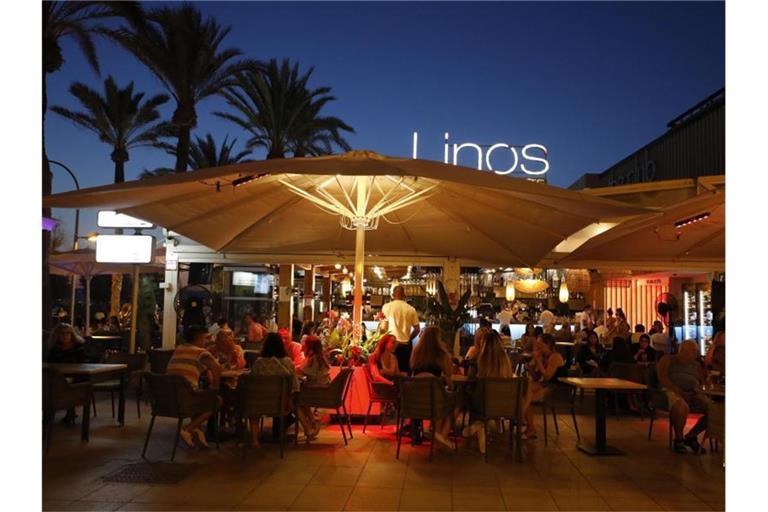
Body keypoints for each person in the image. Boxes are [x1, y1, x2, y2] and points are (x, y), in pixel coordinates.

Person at [166, 325, 222, 449]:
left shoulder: (179, 349)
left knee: (199, 394)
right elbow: (217, 368)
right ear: (199, 338)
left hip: (166, 399)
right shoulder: (200, 352)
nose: (207, 341)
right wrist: (215, 386)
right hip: (185, 399)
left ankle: (196, 430)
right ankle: (188, 429)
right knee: (216, 400)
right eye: (206, 338)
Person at [250, 333, 306, 445]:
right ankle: (307, 429)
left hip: (260, 404)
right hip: (282, 404)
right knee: (294, 402)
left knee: (252, 408)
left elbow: (252, 383)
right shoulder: (287, 362)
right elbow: (294, 386)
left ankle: (254, 441)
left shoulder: (259, 363)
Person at [463, 329, 513, 453]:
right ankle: (480, 425)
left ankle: (479, 424)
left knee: (466, 394)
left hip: (482, 404)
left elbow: (470, 378)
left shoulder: (479, 360)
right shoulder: (506, 361)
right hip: (504, 405)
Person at [657, 340, 710, 454]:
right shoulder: (668, 359)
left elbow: (702, 382)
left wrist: (699, 390)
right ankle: (679, 439)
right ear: (683, 351)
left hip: (693, 392)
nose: (696, 354)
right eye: (693, 351)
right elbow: (663, 378)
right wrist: (679, 391)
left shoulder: (696, 365)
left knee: (714, 410)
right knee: (681, 406)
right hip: (671, 390)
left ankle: (691, 435)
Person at [409, 326, 455, 450]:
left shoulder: (416, 352)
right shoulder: (442, 354)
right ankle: (440, 434)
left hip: (416, 401)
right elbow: (449, 373)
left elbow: (412, 369)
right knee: (454, 402)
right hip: (436, 401)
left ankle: (434, 433)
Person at [522, 334, 566, 440]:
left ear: (548, 345)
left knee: (525, 396)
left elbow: (547, 376)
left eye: (540, 344)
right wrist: (530, 367)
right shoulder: (543, 356)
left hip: (556, 390)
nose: (537, 346)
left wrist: (538, 361)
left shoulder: (555, 357)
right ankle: (529, 427)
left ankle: (522, 417)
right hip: (545, 386)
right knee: (524, 391)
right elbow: (536, 377)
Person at [382, 285, 421, 374]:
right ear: (404, 295)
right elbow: (417, 329)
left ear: (392, 295)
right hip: (405, 344)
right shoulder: (411, 309)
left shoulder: (386, 307)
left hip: (390, 345)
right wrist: (410, 338)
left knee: (390, 373)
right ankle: (402, 388)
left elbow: (383, 327)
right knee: (404, 372)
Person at [297, 335, 330, 440]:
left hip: (317, 392)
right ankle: (312, 421)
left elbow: (300, 372)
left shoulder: (313, 359)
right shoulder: (320, 358)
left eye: (304, 343)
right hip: (323, 390)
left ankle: (308, 429)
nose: (302, 345)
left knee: (294, 402)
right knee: (299, 399)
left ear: (309, 346)